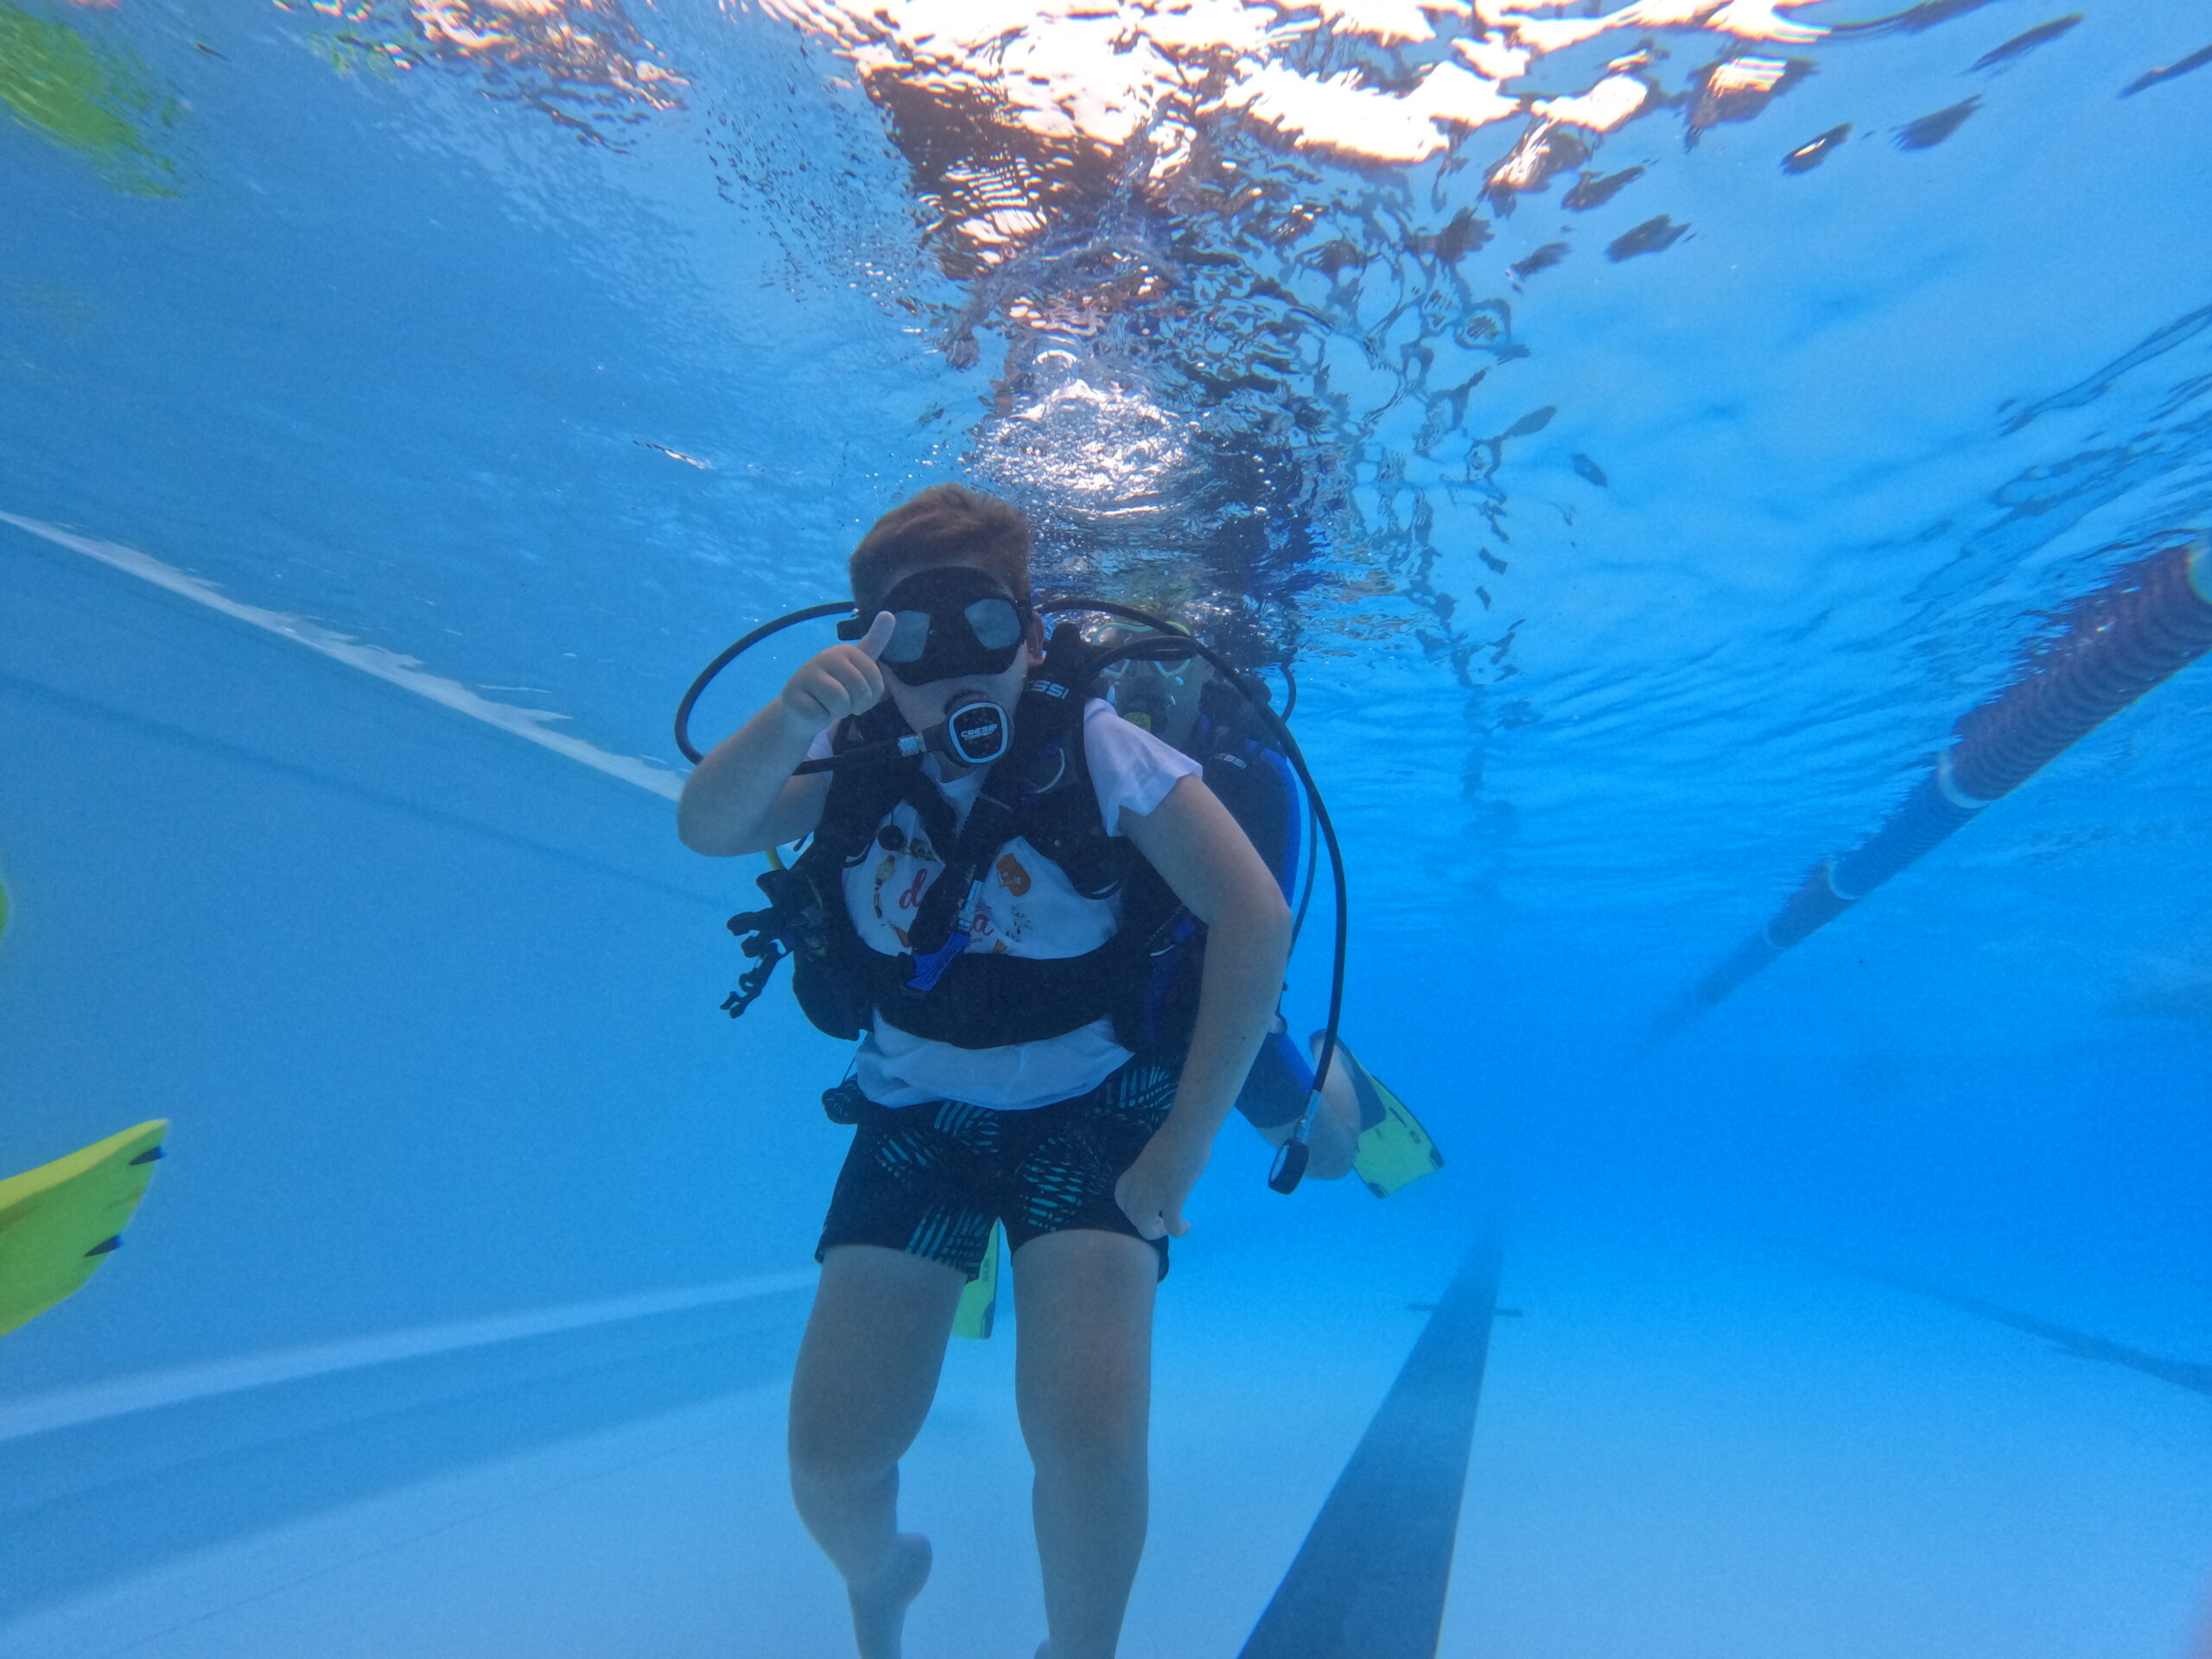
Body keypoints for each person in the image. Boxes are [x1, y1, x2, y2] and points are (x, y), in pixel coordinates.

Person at [676, 484, 1292, 1659]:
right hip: (918, 1112)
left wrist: (1186, 1139)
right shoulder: (845, 754)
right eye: (915, 637)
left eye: (988, 628)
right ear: (870, 653)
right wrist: (795, 713)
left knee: (1087, 1435)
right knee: (832, 1457)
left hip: (1093, 1108)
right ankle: (882, 1577)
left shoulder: (1102, 749)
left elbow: (1254, 918)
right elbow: (708, 827)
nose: (958, 667)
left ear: (1034, 639)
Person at [1094, 623, 1374, 1179]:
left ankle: (1334, 1063)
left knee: (1329, 1160)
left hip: (1207, 1011)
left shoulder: (1253, 775)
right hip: (1093, 1010)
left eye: (1168, 655)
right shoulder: (1063, 745)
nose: (1144, 679)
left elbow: (1263, 931)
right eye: (1119, 655)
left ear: (1205, 665)